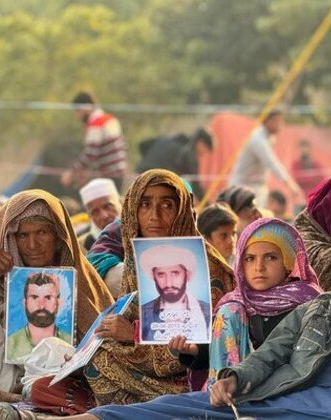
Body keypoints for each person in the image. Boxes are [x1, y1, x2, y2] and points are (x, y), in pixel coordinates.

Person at [82, 229, 331, 420]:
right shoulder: (318, 309)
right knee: (188, 405)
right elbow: (270, 355)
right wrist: (234, 377)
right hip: (286, 398)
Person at [82, 169, 235, 405]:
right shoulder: (135, 261)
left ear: (182, 211)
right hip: (147, 364)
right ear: (133, 210)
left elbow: (217, 342)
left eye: (167, 205)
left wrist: (133, 332)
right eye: (144, 205)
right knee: (97, 356)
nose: (154, 216)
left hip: (193, 372)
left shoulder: (207, 266)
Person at [0, 189, 113, 391]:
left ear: (58, 238)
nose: (32, 244)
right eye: (23, 235)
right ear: (12, 238)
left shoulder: (79, 279)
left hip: (48, 379)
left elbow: (101, 343)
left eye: (41, 233)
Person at [171, 217, 321, 391]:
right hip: (232, 392)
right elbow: (219, 352)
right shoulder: (235, 302)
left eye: (271, 257)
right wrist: (194, 351)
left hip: (288, 390)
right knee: (230, 311)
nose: (259, 267)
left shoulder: (308, 302)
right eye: (249, 258)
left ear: (287, 263)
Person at [139, 244, 210, 342]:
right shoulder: (142, 313)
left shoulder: (207, 312)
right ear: (153, 277)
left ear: (188, 275)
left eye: (175, 273)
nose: (169, 283)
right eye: (161, 274)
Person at [229, 110, 301, 206]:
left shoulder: (269, 138)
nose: (280, 125)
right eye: (277, 121)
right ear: (268, 121)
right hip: (243, 186)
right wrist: (290, 185)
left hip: (258, 188)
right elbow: (272, 163)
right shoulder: (258, 139)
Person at [61, 92, 126, 191]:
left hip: (109, 176)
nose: (77, 115)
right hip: (118, 173)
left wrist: (72, 172)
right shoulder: (110, 119)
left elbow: (90, 154)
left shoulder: (97, 123)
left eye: (78, 110)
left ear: (87, 107)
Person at [6, 272, 72, 361]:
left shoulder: (69, 343)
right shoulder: (10, 345)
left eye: (48, 297)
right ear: (24, 303)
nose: (41, 306)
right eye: (34, 297)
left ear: (58, 303)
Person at [136, 128, 214, 199]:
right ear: (201, 142)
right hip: (156, 181)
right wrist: (207, 205)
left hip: (139, 175)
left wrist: (149, 159)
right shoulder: (188, 153)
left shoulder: (168, 139)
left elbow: (142, 145)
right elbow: (196, 184)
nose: (202, 155)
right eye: (203, 152)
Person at [78, 178, 122, 252]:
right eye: (95, 212)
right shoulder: (81, 247)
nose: (104, 216)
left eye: (108, 206)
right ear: (89, 216)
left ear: (121, 203)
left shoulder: (141, 234)